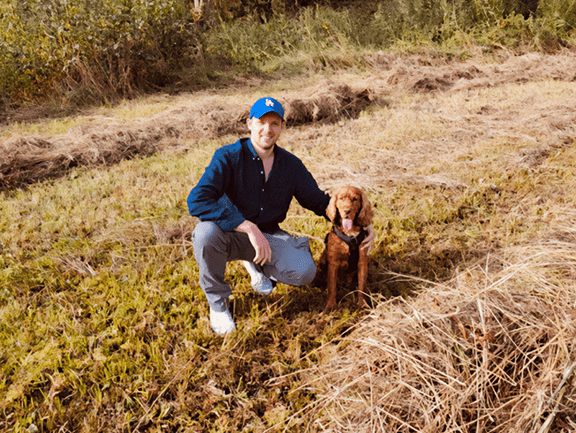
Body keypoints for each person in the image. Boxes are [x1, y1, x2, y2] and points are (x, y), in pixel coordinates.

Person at [187, 97, 373, 335]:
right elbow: (197, 199)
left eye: (275, 123)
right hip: (232, 234)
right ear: (249, 124)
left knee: (304, 271)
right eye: (261, 122)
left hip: (270, 235)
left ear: (282, 127)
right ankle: (218, 305)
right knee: (204, 233)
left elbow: (318, 201)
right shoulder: (228, 157)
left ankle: (258, 265)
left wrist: (360, 225)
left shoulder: (290, 165)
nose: (268, 129)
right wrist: (247, 227)